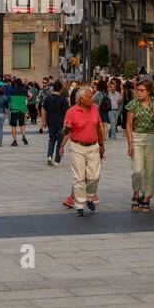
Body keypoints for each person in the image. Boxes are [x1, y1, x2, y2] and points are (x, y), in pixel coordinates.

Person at [62, 86, 105, 215]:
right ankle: (80, 205)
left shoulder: (94, 109)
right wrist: (66, 130)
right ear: (81, 99)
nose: (92, 99)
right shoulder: (71, 111)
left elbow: (98, 127)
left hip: (93, 146)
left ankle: (90, 196)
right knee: (79, 177)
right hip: (77, 147)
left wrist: (101, 145)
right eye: (90, 97)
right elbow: (65, 131)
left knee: (94, 176)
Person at [124, 80, 154, 213]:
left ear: (149, 91)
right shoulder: (133, 104)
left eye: (141, 90)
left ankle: (146, 198)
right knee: (138, 170)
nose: (138, 92)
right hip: (137, 137)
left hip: (153, 138)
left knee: (151, 171)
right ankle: (136, 195)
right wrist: (130, 144)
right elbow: (128, 125)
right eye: (137, 90)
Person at [41, 81, 69, 165]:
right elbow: (67, 112)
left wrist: (44, 121)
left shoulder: (48, 98)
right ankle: (57, 160)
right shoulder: (63, 100)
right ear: (60, 89)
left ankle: (49, 156)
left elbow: (43, 109)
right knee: (60, 140)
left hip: (50, 121)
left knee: (52, 138)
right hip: (61, 121)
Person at [7, 78, 30, 146]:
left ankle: (15, 140)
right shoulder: (25, 90)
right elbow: (31, 95)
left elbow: (9, 99)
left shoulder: (12, 91)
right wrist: (26, 100)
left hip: (14, 110)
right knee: (22, 124)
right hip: (22, 110)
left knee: (14, 126)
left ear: (15, 84)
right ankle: (23, 135)